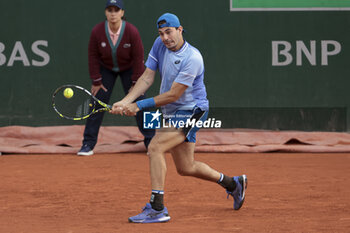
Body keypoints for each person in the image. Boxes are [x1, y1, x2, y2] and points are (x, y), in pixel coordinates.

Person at [110, 13, 247, 223]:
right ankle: (233, 183)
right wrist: (125, 100)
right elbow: (147, 77)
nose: (165, 37)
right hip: (170, 112)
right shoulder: (159, 45)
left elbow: (174, 95)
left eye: (169, 32)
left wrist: (138, 106)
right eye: (161, 33)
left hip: (192, 110)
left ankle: (157, 208)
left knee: (155, 147)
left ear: (180, 30)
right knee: (186, 167)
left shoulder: (192, 58)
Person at [78, 0, 155, 156]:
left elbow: (139, 57)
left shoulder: (132, 31)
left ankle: (152, 142)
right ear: (106, 12)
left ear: (122, 13)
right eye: (109, 10)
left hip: (130, 69)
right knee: (96, 103)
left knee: (142, 102)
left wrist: (136, 83)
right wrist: (96, 80)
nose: (113, 13)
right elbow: (92, 56)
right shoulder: (97, 31)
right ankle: (87, 144)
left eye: (116, 10)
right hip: (106, 69)